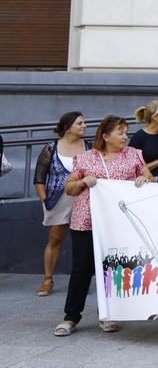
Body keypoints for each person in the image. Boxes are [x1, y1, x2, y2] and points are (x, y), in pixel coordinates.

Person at [53, 115, 154, 336]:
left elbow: (149, 177)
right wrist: (81, 182)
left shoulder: (134, 155)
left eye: (126, 132)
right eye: (120, 133)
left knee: (113, 268)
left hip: (119, 224)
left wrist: (144, 180)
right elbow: (69, 188)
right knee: (82, 268)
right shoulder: (86, 158)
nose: (125, 137)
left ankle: (107, 314)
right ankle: (71, 317)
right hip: (86, 221)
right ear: (106, 136)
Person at [33, 112, 86, 297]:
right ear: (68, 127)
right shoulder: (51, 148)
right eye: (80, 123)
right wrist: (44, 201)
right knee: (55, 239)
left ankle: (81, 282)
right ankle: (47, 279)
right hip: (57, 199)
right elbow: (39, 178)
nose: (84, 126)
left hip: (83, 199)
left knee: (84, 242)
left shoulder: (88, 147)